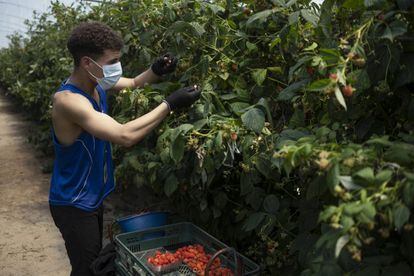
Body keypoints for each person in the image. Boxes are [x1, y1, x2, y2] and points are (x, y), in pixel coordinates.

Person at [48, 21, 201, 276]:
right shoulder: (68, 101)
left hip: (89, 196)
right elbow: (124, 134)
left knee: (94, 262)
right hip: (72, 202)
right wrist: (170, 104)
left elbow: (131, 83)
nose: (116, 67)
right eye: (112, 61)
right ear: (87, 63)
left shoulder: (95, 83)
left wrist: (156, 70)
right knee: (88, 269)